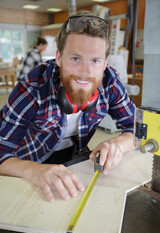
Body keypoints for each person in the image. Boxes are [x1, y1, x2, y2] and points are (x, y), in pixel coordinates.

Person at [0, 11, 135, 202]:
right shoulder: (31, 89)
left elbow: (139, 129)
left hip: (74, 158)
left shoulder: (110, 82)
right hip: (26, 164)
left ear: (105, 63)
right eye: (75, 58)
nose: (86, 72)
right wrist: (34, 171)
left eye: (95, 61)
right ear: (59, 57)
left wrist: (117, 145)